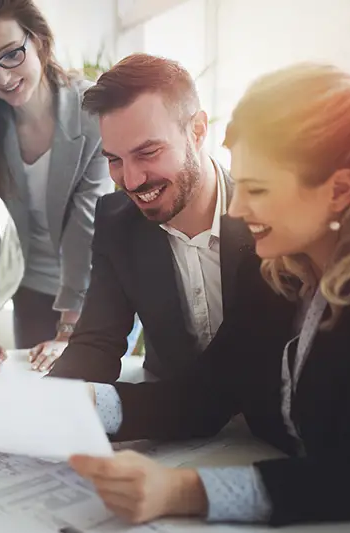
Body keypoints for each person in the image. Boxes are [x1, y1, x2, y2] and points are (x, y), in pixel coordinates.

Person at [69, 63, 350, 531]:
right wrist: (84, 405)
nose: (237, 208)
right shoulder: (279, 268)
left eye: (257, 189)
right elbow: (207, 393)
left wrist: (184, 491)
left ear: (339, 190)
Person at [0, 0, 113, 373]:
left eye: (11, 54)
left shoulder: (91, 109)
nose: (2, 78)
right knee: (31, 398)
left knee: (88, 396)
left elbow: (86, 222)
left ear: (38, 40)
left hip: (99, 289)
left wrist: (68, 329)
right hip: (34, 286)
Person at [46, 54, 255, 380]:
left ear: (198, 131)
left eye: (148, 153)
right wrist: (49, 406)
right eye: (114, 159)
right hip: (169, 413)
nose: (130, 181)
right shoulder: (117, 223)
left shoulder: (265, 215)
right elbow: (96, 343)